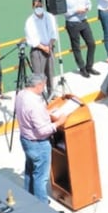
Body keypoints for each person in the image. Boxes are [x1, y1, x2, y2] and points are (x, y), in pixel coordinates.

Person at [15, 74, 69, 203]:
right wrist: (58, 122)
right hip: (38, 144)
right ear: (38, 85)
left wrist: (46, 113)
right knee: (40, 177)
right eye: (43, 85)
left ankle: (29, 198)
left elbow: (29, 115)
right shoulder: (34, 104)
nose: (43, 88)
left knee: (30, 170)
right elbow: (42, 130)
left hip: (26, 139)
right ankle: (42, 206)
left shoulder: (21, 94)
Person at [64, 0, 99, 78]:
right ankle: (82, 68)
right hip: (72, 23)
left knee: (91, 43)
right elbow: (64, 12)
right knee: (76, 47)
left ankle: (89, 66)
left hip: (84, 21)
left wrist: (87, 8)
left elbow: (89, 3)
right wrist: (76, 10)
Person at [24, 0, 59, 91]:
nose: (39, 7)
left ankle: (51, 92)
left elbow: (54, 33)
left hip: (50, 47)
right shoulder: (30, 21)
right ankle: (40, 94)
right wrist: (43, 48)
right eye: (36, 6)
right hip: (37, 50)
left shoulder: (49, 17)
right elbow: (32, 39)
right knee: (38, 75)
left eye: (40, 5)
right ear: (33, 7)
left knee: (50, 72)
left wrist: (50, 45)